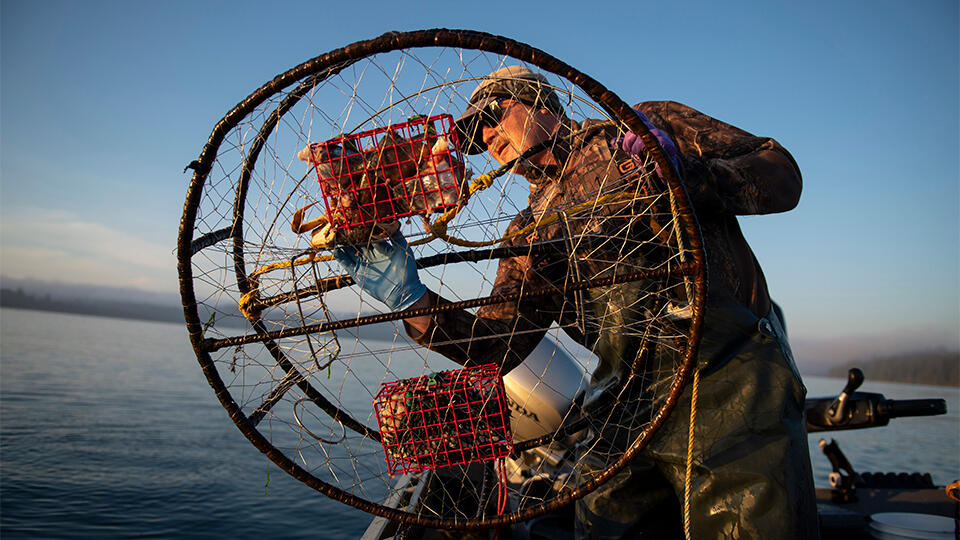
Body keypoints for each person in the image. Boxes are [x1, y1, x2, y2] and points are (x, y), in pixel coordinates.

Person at [332, 66, 819, 539]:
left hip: (730, 380)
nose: (487, 138)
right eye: (477, 135)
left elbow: (782, 177)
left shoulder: (639, 127)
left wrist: (683, 171)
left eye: (493, 116)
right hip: (622, 405)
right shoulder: (526, 232)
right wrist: (410, 299)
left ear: (541, 103)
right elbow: (500, 347)